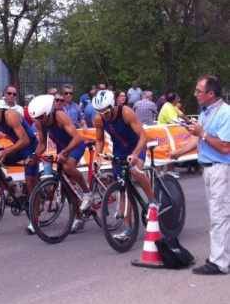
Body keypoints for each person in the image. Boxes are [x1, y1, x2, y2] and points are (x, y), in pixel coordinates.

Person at [169, 76, 230, 275]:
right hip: (210, 169)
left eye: (198, 91)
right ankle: (223, 257)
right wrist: (178, 153)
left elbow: (225, 147)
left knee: (219, 215)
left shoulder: (225, 114)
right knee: (220, 214)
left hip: (220, 168)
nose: (195, 95)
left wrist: (202, 133)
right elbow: (198, 140)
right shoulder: (205, 113)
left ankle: (219, 262)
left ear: (211, 94)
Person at [93, 90, 158, 242]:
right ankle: (128, 229)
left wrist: (135, 153)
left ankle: (153, 202)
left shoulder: (126, 112)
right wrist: (97, 156)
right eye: (100, 113)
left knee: (134, 171)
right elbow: (100, 141)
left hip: (137, 146)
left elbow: (143, 136)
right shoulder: (99, 119)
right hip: (120, 151)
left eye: (106, 112)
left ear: (113, 105)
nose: (104, 116)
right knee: (122, 189)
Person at [0, 92, 39, 233]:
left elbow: (25, 140)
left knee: (31, 183)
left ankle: (36, 221)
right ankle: (9, 187)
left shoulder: (11, 116)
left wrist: (5, 151)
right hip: (18, 146)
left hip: (30, 147)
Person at [29, 94, 93, 233]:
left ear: (48, 112)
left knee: (67, 166)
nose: (39, 121)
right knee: (67, 186)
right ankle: (78, 219)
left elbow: (77, 137)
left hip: (75, 146)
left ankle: (87, 192)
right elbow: (42, 144)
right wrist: (34, 155)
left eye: (41, 117)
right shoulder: (40, 122)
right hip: (61, 150)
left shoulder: (60, 116)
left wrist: (64, 152)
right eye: (36, 118)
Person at [157, 88, 191, 178]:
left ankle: (170, 170)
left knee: (171, 150)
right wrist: (185, 125)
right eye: (177, 98)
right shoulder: (168, 107)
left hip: (168, 134)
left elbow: (181, 115)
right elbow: (175, 122)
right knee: (163, 152)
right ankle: (160, 172)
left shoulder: (172, 106)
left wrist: (189, 121)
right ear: (174, 99)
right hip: (162, 134)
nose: (178, 99)